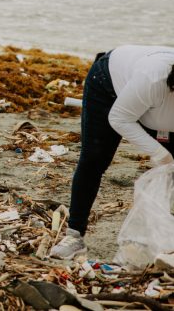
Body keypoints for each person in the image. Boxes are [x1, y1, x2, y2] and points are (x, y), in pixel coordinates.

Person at [50, 46, 174, 259]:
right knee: (95, 158)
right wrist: (160, 154)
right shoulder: (153, 79)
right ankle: (74, 234)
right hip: (108, 84)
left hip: (155, 107)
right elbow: (119, 118)